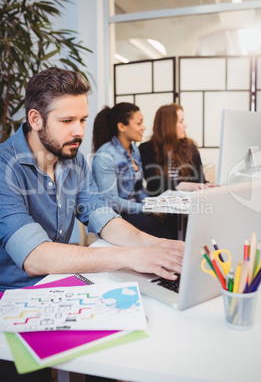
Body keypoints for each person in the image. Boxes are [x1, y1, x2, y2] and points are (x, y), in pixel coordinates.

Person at [0, 68, 184, 293]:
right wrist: (130, 256)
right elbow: (34, 256)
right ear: (36, 119)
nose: (79, 131)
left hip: (61, 281)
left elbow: (103, 217)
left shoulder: (74, 161)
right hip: (13, 295)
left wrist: (157, 244)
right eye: (67, 121)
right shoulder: (4, 167)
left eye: (82, 120)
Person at [91, 103, 177, 239]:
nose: (144, 127)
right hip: (114, 217)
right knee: (161, 231)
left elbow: (138, 190)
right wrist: (146, 209)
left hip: (133, 211)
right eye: (139, 123)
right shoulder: (105, 156)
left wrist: (152, 205)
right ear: (121, 127)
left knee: (171, 221)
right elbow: (112, 202)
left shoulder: (135, 150)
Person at [139, 103, 217, 196]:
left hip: (188, 201)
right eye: (181, 121)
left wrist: (209, 186)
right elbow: (153, 183)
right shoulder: (146, 148)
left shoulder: (190, 146)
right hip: (160, 203)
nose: (185, 125)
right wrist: (181, 185)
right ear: (168, 125)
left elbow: (200, 180)